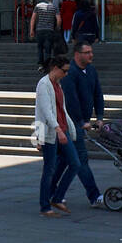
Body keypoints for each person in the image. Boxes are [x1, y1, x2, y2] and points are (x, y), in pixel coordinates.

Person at [34, 54, 83, 217]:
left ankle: (57, 197)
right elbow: (45, 112)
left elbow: (62, 109)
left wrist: (70, 129)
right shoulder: (43, 84)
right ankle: (44, 206)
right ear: (55, 68)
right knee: (49, 169)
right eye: (64, 71)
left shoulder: (58, 84)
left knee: (75, 163)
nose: (66, 74)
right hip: (50, 132)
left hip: (61, 129)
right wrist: (57, 130)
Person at [61, 40, 107, 208]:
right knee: (80, 160)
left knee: (65, 161)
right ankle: (94, 196)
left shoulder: (91, 70)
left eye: (91, 52)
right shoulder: (70, 73)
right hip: (71, 124)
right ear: (77, 54)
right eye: (87, 52)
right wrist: (82, 122)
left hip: (81, 122)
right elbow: (71, 102)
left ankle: (54, 192)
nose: (91, 55)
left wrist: (99, 116)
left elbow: (98, 93)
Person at [29, 0, 60, 70]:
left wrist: (31, 30)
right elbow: (59, 19)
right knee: (48, 48)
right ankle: (47, 65)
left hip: (39, 30)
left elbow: (33, 18)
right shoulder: (54, 7)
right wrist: (57, 28)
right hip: (49, 30)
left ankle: (41, 64)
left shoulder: (38, 6)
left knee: (39, 47)